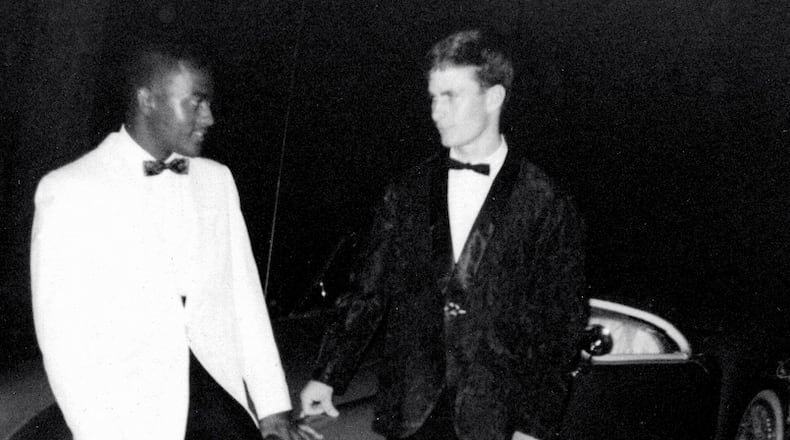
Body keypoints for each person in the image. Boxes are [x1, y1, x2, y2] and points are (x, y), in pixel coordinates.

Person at [300, 29, 588, 440]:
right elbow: (368, 291)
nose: (436, 111)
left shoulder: (546, 201)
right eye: (433, 97)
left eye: (451, 96)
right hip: (411, 411)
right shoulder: (406, 191)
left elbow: (559, 325)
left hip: (496, 419)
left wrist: (534, 424)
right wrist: (328, 374)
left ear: (493, 98)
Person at [31, 44, 319, 440]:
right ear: (147, 99)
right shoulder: (70, 190)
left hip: (221, 406)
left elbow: (245, 301)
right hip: (135, 420)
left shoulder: (217, 180)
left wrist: (272, 407)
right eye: (196, 102)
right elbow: (64, 342)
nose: (210, 118)